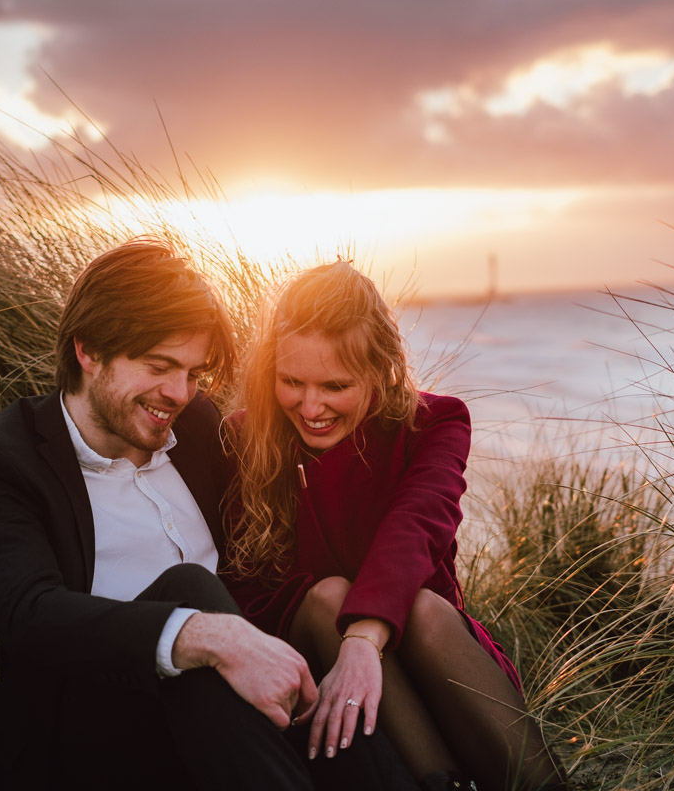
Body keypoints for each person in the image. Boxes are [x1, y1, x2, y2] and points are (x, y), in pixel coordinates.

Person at [0, 239, 414, 790]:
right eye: (160, 366)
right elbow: (28, 616)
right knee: (192, 593)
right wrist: (200, 635)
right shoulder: (1, 462)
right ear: (89, 350)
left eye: (195, 373)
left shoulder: (196, 427)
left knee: (317, 696)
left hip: (227, 724)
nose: (179, 393)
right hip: (90, 731)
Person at [222, 261, 568, 791]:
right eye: (291, 381)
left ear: (379, 369)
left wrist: (365, 638)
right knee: (327, 597)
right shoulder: (243, 437)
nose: (310, 406)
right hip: (312, 664)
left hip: (432, 657)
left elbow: (418, 524)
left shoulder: (433, 422)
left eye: (335, 385)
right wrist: (345, 633)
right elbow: (244, 586)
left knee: (426, 607)